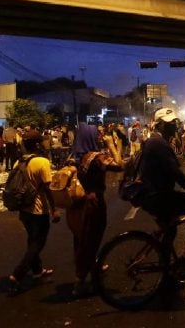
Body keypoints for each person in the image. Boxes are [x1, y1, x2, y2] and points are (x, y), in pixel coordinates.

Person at [137, 108, 185, 268]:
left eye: (174, 122)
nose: (173, 125)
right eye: (169, 123)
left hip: (156, 195)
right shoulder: (158, 143)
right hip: (158, 197)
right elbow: (176, 174)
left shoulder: (158, 141)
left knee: (170, 231)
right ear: (158, 125)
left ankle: (167, 276)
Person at [67, 122, 122, 297]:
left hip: (76, 205)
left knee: (81, 239)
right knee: (91, 239)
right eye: (96, 134)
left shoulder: (73, 156)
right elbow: (119, 165)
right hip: (93, 203)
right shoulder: (96, 157)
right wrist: (113, 145)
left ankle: (90, 269)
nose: (99, 136)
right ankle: (80, 282)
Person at [8, 130, 55, 288]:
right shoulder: (42, 162)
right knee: (38, 243)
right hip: (38, 210)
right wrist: (54, 210)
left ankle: (38, 272)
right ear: (36, 145)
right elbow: (48, 189)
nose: (43, 144)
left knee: (32, 240)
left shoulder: (18, 162)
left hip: (23, 209)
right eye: (41, 142)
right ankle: (18, 273)